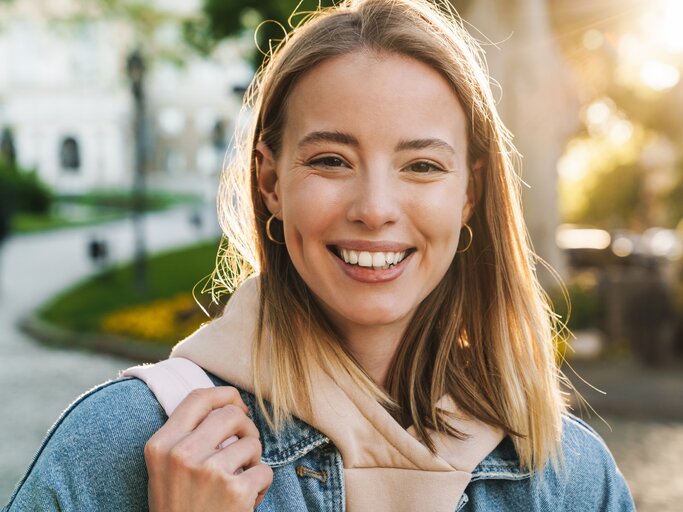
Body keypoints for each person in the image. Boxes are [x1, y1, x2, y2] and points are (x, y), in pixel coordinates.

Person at [4, 0, 635, 510]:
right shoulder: (124, 446)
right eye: (331, 160)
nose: (375, 207)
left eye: (421, 165)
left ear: (469, 193)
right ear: (271, 182)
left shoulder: (570, 478)